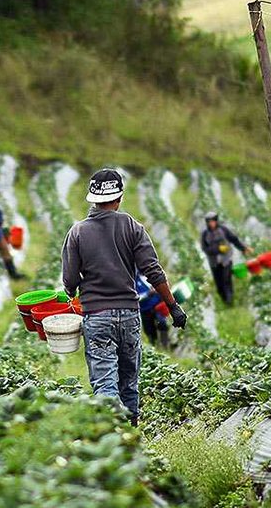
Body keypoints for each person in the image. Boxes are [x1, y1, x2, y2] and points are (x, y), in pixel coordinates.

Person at [61, 169, 187, 425]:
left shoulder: (78, 232)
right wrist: (173, 306)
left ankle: (112, 435)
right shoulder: (131, 226)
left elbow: (70, 281)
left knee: (105, 380)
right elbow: (153, 271)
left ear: (92, 199)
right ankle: (131, 434)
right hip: (129, 314)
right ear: (118, 199)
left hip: (97, 317)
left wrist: (71, 293)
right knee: (129, 380)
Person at [200, 211, 253, 306]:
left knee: (226, 280)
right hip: (214, 262)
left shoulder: (223, 230)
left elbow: (234, 239)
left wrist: (244, 248)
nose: (211, 224)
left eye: (213, 221)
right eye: (209, 222)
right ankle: (225, 300)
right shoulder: (205, 234)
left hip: (226, 260)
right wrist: (217, 249)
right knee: (219, 284)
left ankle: (230, 301)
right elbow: (205, 249)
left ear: (216, 221)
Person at [135, 272, 170, 349]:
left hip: (157, 305)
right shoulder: (133, 280)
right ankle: (154, 348)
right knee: (150, 332)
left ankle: (166, 346)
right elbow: (134, 298)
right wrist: (148, 294)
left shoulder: (150, 274)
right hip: (145, 310)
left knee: (162, 324)